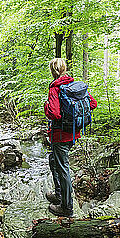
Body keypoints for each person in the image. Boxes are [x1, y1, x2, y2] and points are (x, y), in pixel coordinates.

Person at [44, 58, 97, 217]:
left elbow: (54, 113)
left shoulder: (55, 89)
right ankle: (59, 194)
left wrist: (46, 106)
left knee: (63, 168)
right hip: (74, 133)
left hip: (60, 135)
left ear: (53, 71)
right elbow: (92, 104)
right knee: (53, 160)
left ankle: (66, 207)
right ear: (64, 69)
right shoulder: (75, 86)